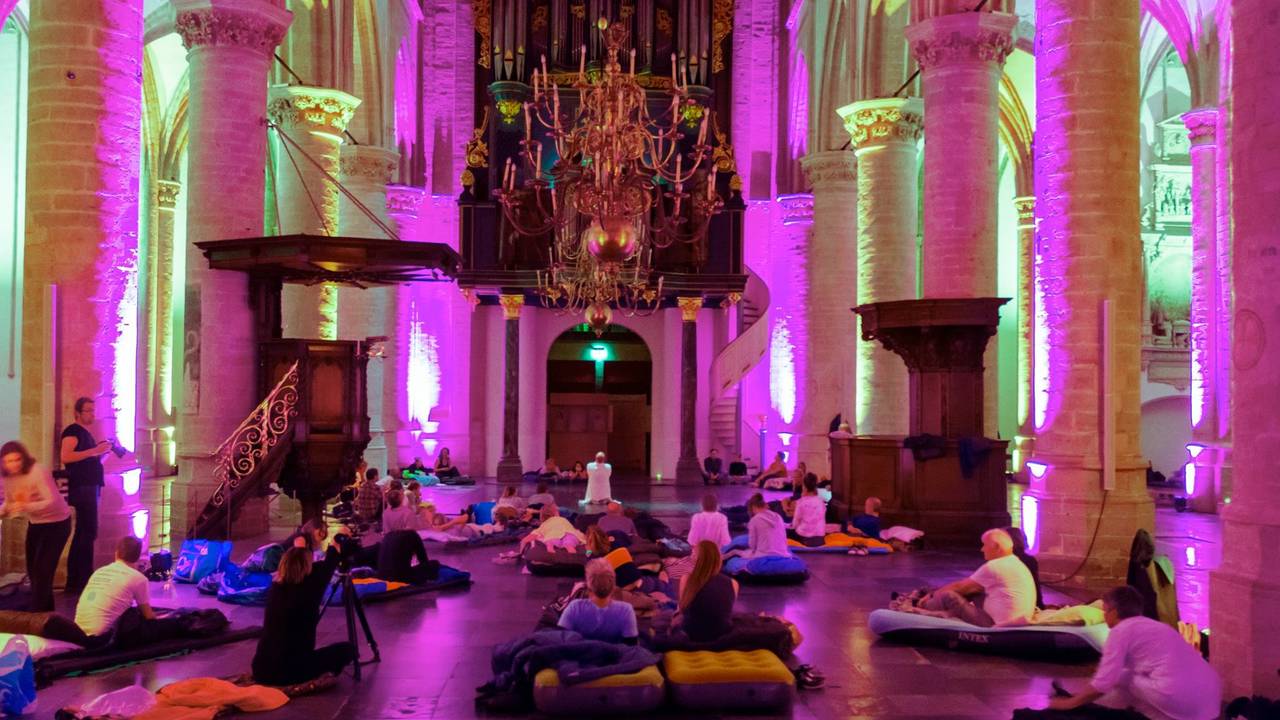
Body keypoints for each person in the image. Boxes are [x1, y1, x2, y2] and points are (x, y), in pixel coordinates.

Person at [1047, 585, 1221, 720]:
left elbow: (1104, 682)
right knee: (1127, 678)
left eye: (1105, 610)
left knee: (1124, 678)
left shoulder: (1121, 630)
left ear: (1113, 612)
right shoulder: (1154, 626)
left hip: (1185, 699)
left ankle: (1087, 708)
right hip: (1212, 702)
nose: (1104, 615)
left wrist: (1069, 704)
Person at [252, 545, 356, 686]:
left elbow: (323, 567)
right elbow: (328, 565)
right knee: (348, 650)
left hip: (261, 669)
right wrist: (336, 546)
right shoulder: (310, 588)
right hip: (289, 672)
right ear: (307, 567)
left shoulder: (276, 588)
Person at [0, 441, 72, 611]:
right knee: (33, 572)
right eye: (8, 461)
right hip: (36, 523)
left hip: (58, 523)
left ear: (23, 458)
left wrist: (26, 507)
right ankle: (46, 614)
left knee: (42, 572)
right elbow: (10, 503)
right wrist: (4, 510)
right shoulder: (6, 477)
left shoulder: (38, 471)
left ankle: (36, 617)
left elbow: (52, 501)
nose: (13, 465)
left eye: (16, 460)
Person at [75, 536, 181, 647]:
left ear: (116, 553)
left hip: (79, 632)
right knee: (165, 625)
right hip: (104, 638)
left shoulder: (98, 572)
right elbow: (148, 616)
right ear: (138, 557)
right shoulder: (138, 578)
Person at [920, 528, 1036, 627]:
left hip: (996, 623)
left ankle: (923, 607)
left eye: (984, 545)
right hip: (1013, 618)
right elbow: (970, 586)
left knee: (948, 595)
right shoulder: (1014, 562)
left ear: (996, 547)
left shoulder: (995, 566)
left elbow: (959, 587)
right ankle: (940, 609)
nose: (982, 549)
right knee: (974, 590)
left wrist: (931, 595)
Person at [61, 397, 114, 594]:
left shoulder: (84, 433)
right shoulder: (72, 431)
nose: (93, 414)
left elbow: (88, 459)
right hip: (82, 488)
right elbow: (66, 456)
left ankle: (81, 578)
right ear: (77, 413)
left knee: (88, 531)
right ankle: (77, 580)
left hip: (89, 486)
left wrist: (103, 452)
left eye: (93, 410)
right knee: (85, 531)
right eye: (88, 411)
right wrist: (94, 451)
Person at [556, 560, 638, 644]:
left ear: (588, 587)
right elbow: (631, 646)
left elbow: (561, 640)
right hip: (612, 655)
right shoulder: (626, 610)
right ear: (613, 587)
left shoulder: (574, 607)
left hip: (580, 654)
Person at [678, 540, 739, 642]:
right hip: (722, 634)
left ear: (696, 559)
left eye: (692, 553)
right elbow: (726, 611)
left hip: (691, 634)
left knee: (665, 614)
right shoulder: (733, 583)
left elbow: (681, 609)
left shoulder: (686, 579)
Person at [723, 493, 789, 560]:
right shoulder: (778, 517)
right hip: (783, 554)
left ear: (753, 507)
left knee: (734, 551)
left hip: (763, 555)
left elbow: (752, 545)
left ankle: (719, 561)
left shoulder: (754, 520)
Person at [1006, 525, 1045, 610]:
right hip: (1028, 604)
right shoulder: (1029, 560)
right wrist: (1040, 605)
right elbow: (1035, 585)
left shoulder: (1003, 560)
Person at [519, 504, 586, 551]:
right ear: (556, 513)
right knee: (571, 543)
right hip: (571, 536)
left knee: (550, 544)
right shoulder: (564, 520)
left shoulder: (544, 525)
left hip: (553, 539)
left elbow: (524, 541)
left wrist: (520, 553)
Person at [788, 474, 826, 547]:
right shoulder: (821, 502)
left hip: (805, 539)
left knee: (787, 532)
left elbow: (795, 524)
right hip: (820, 539)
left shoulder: (801, 502)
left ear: (804, 487)